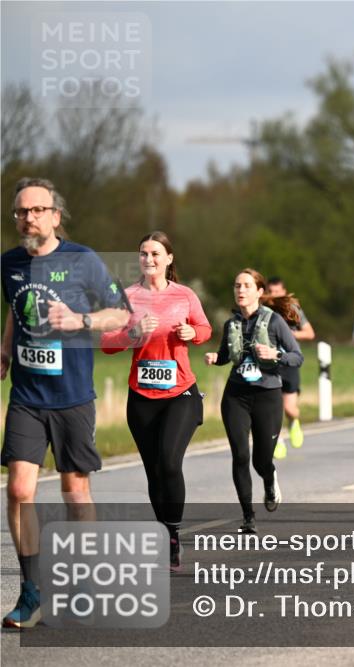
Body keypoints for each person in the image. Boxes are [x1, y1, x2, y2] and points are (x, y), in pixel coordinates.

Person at [2, 178, 129, 627]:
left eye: (37, 210)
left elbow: (122, 312)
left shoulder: (82, 260)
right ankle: (32, 591)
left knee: (75, 492)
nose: (28, 217)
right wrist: (4, 349)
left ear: (56, 215)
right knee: (19, 491)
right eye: (21, 211)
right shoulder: (10, 263)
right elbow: (17, 310)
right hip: (26, 397)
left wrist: (82, 318)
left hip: (73, 397)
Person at [100, 232, 211, 571]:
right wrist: (132, 334)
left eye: (156, 253)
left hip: (180, 393)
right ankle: (164, 533)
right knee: (153, 471)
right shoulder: (127, 297)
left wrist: (193, 334)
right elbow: (107, 343)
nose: (149, 259)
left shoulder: (184, 294)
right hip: (142, 396)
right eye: (144, 254)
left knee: (169, 461)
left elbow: (204, 328)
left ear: (169, 259)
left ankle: (173, 534)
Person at [205, 269, 303, 534]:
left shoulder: (274, 322)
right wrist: (217, 357)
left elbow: (297, 357)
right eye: (237, 285)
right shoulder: (231, 324)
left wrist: (275, 354)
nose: (241, 290)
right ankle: (248, 517)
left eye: (247, 285)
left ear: (259, 292)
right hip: (236, 395)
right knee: (240, 454)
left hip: (267, 396)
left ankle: (269, 480)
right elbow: (227, 354)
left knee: (261, 460)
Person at [266, 276, 315, 459]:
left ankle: (294, 421)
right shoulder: (263, 311)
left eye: (278, 292)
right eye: (271, 292)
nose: (274, 295)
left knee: (289, 408)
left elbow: (310, 333)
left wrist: (289, 334)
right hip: (269, 364)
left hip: (289, 362)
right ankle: (277, 440)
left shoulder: (293, 309)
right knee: (273, 407)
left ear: (284, 292)